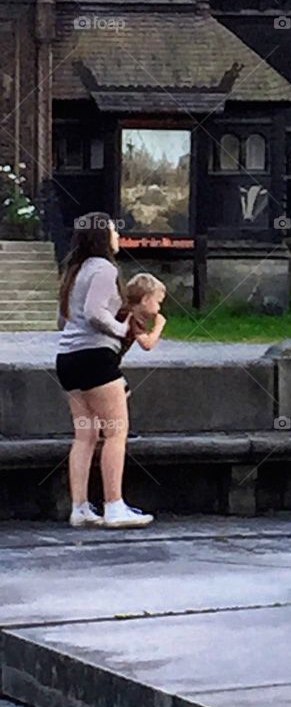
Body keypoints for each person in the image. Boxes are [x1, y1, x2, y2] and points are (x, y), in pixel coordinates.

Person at [55, 213, 160, 528]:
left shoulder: (74, 270)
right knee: (116, 432)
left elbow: (63, 319)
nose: (118, 236)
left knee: (85, 435)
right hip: (96, 359)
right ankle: (114, 506)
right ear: (102, 237)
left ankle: (80, 508)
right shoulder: (104, 268)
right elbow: (94, 312)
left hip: (68, 360)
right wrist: (120, 329)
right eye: (114, 231)